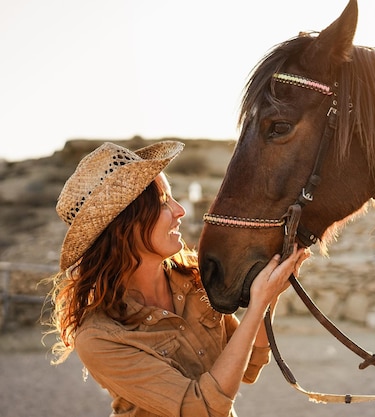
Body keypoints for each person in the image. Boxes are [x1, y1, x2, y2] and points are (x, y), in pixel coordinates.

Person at [43, 140, 308, 417]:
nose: (180, 210)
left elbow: (250, 364)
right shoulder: (100, 337)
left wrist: (273, 290)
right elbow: (202, 409)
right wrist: (257, 305)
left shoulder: (193, 280)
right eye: (163, 202)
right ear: (125, 226)